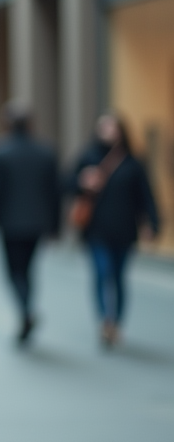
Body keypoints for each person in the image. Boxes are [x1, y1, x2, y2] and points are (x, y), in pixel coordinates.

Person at [67, 113, 161, 348]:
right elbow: (65, 184)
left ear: (121, 131)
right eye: (103, 126)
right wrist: (82, 181)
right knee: (102, 272)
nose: (108, 131)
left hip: (124, 229)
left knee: (118, 277)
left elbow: (146, 196)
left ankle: (116, 321)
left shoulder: (133, 163)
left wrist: (153, 223)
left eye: (112, 127)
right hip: (96, 230)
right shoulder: (88, 157)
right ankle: (104, 321)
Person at [0, 103, 60, 345]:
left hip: (10, 222)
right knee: (28, 269)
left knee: (13, 271)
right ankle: (27, 308)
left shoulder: (0, 152)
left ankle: (25, 309)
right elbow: (54, 192)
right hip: (37, 222)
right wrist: (55, 225)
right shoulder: (45, 152)